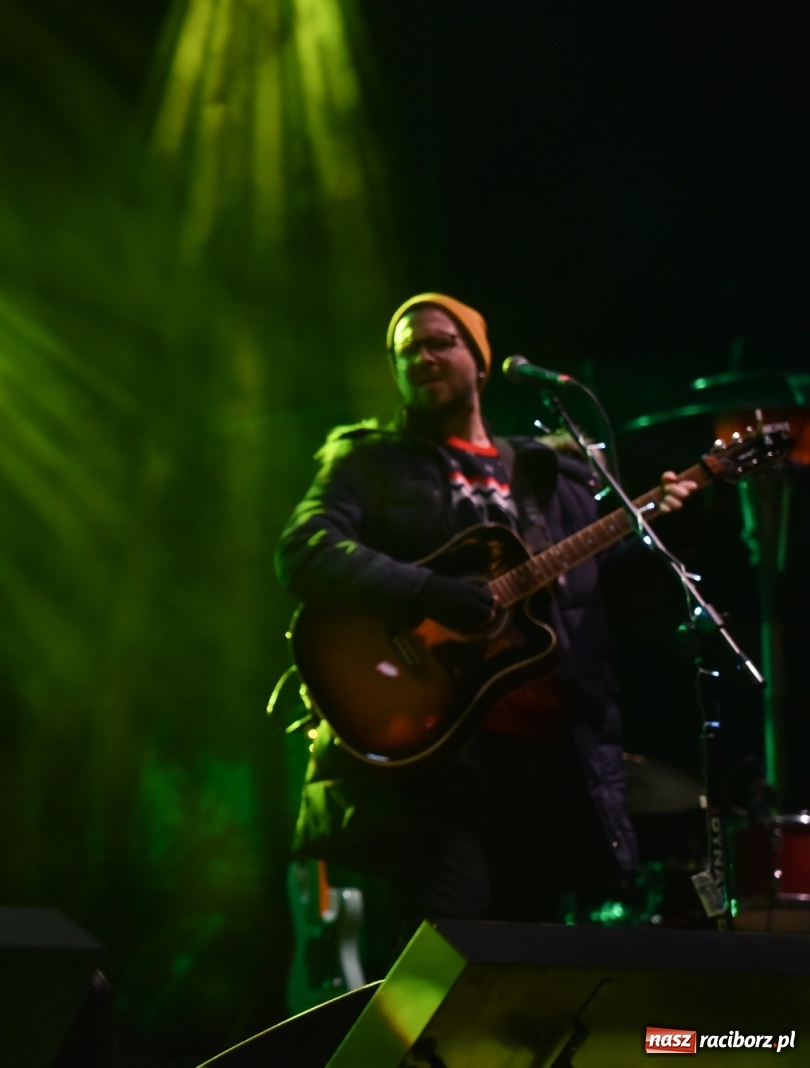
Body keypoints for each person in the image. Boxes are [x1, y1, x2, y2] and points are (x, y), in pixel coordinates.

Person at [276, 293, 696, 950]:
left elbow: (598, 598)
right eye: (406, 348)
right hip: (432, 759)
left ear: (478, 356)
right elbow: (305, 551)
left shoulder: (548, 470)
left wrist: (659, 528)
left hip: (547, 759)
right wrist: (428, 592)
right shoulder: (368, 461)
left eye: (439, 341)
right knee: (448, 939)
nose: (422, 356)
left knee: (531, 956)